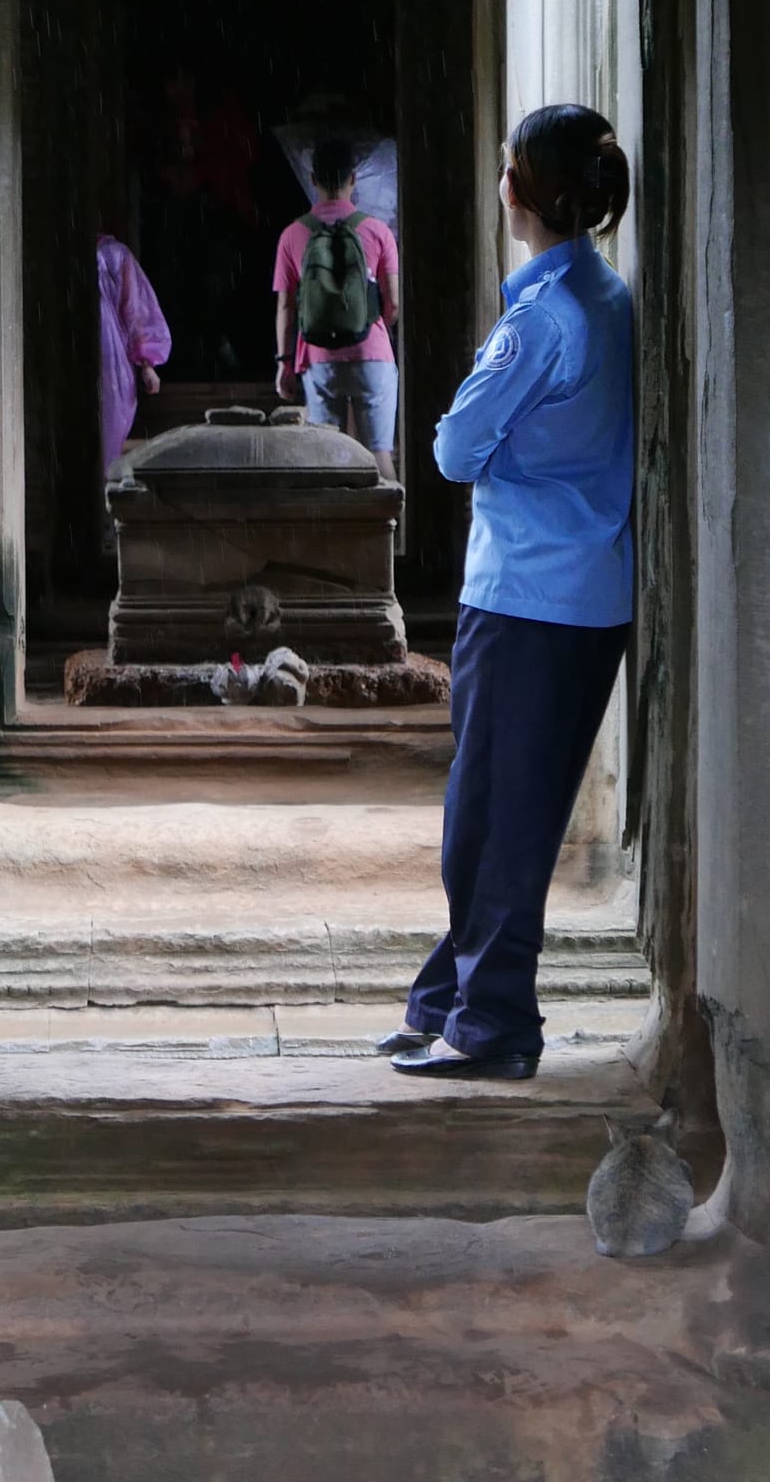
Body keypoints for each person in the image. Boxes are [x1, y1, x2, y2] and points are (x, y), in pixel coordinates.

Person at [381, 104, 633, 1081]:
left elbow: (448, 448)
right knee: (505, 813)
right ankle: (445, 999)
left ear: (518, 192)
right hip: (584, 598)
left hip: (525, 594)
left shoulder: (540, 318)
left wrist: (497, 448)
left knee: (487, 823)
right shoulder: (603, 298)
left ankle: (489, 1025)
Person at [271, 137, 401, 478]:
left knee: (327, 455)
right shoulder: (377, 231)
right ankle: (393, 529)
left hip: (318, 357)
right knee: (378, 454)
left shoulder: (293, 234)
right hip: (372, 353)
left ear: (313, 180)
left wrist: (285, 364)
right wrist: (370, 326)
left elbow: (286, 306)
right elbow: (395, 302)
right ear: (353, 179)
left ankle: (338, 529)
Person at [96, 231, 171, 472]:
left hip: (110, 363)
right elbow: (135, 310)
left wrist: (147, 363)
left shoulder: (114, 255)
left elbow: (134, 310)